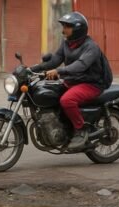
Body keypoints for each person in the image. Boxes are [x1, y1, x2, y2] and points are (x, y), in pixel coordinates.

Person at [30, 12, 113, 150]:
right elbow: (56, 59)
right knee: (49, 93)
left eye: (67, 27)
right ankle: (62, 126)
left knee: (67, 100)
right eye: (64, 26)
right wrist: (33, 68)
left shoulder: (91, 47)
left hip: (92, 83)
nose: (64, 30)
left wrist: (59, 71)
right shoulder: (67, 43)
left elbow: (81, 65)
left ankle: (80, 130)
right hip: (73, 81)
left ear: (77, 29)